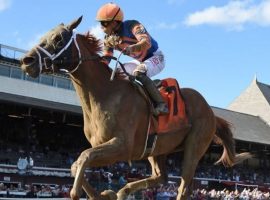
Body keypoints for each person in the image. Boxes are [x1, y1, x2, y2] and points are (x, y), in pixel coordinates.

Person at [96, 2, 169, 116]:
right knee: (117, 74)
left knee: (139, 72)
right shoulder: (108, 38)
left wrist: (131, 48)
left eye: (104, 23)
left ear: (115, 22)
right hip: (139, 61)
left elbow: (146, 43)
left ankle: (162, 105)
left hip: (156, 57)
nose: (101, 27)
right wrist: (98, 66)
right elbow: (107, 57)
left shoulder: (133, 25)